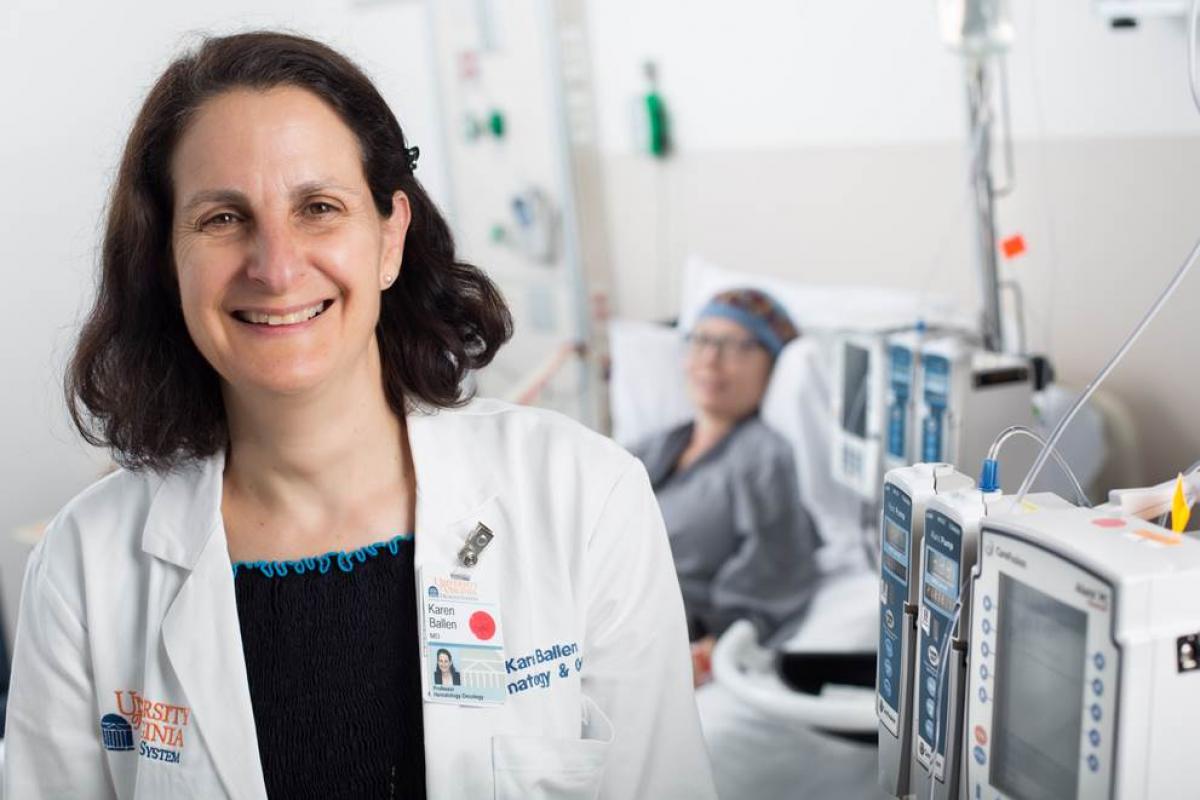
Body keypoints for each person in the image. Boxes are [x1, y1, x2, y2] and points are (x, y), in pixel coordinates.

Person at [5, 32, 716, 800]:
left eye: (319, 207)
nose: (275, 267)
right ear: (164, 259)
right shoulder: (85, 567)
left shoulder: (586, 498)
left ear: (389, 239)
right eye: (221, 219)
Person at [630, 289, 822, 684]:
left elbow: (775, 568)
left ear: (771, 364)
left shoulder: (764, 459)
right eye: (700, 340)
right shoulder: (655, 446)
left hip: (643, 633)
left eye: (735, 346)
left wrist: (712, 645)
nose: (710, 359)